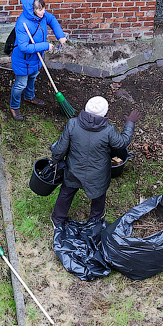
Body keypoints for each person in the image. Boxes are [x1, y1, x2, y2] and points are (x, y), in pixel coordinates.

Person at [50, 96, 141, 229]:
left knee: (66, 192)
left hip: (73, 170)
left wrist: (56, 160)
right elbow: (122, 142)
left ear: (86, 109)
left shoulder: (72, 124)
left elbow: (60, 149)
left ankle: (57, 219)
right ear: (104, 113)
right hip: (97, 174)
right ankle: (96, 219)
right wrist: (130, 123)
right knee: (98, 195)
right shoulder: (108, 130)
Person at [9, 0, 67, 121]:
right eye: (39, 9)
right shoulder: (22, 23)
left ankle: (29, 96)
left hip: (36, 57)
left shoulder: (43, 16)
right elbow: (23, 47)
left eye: (44, 8)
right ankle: (14, 106)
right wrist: (45, 46)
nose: (43, 12)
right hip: (23, 60)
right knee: (20, 84)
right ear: (32, 9)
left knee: (33, 76)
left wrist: (61, 36)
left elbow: (52, 20)